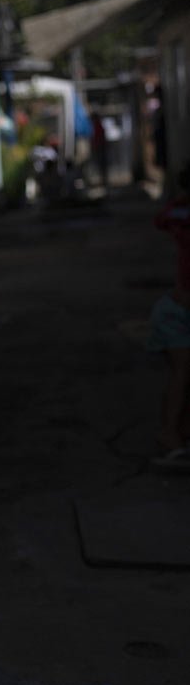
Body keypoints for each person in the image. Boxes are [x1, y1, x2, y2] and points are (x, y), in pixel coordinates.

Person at [150, 165, 190, 472]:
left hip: (174, 312)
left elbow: (163, 218)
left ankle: (176, 435)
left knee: (183, 377)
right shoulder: (183, 221)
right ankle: (170, 437)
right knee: (182, 376)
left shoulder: (179, 217)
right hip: (178, 315)